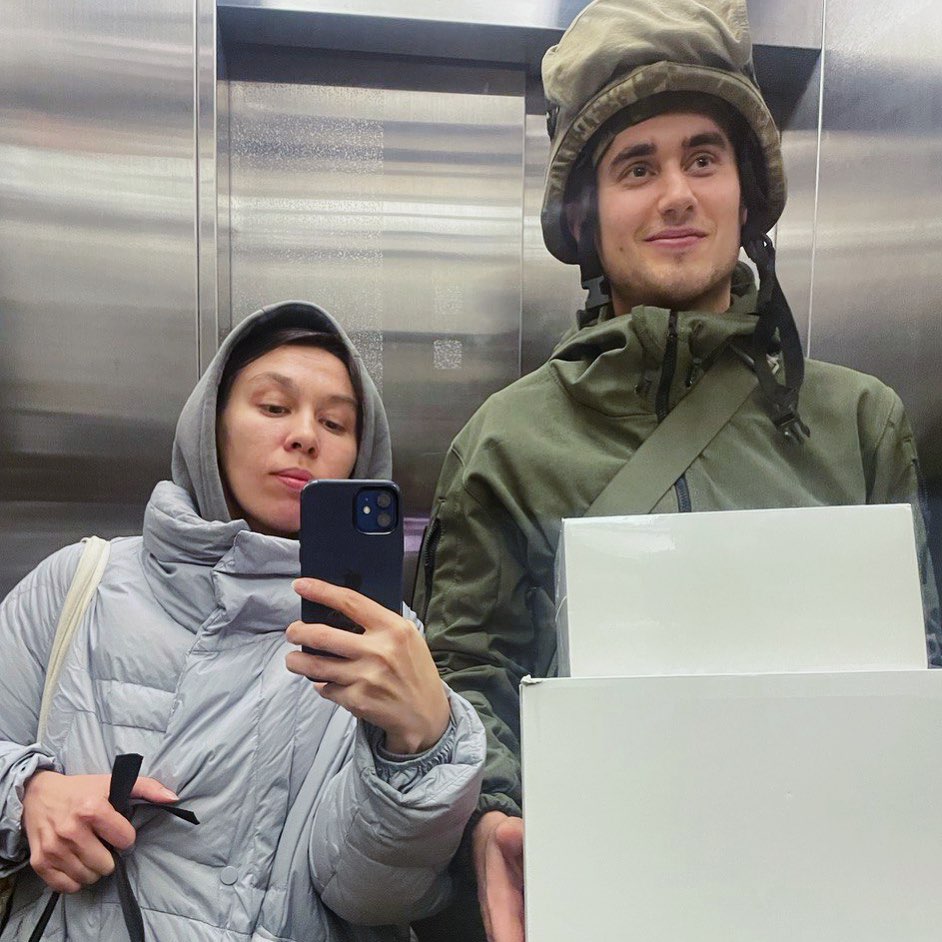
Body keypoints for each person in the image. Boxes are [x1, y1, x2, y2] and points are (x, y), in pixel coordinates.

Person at [411, 1, 942, 940]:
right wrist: (492, 814)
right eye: (636, 167)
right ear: (587, 214)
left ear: (747, 190)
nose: (676, 196)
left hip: (831, 894)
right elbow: (471, 674)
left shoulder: (861, 422)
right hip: (604, 892)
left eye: (704, 158)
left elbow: (917, 669)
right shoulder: (506, 442)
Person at [0, 300, 485, 941]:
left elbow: (368, 895)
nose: (305, 435)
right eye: (275, 407)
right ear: (213, 427)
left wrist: (419, 751)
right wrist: (28, 793)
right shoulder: (77, 585)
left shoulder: (382, 644)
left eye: (335, 422)